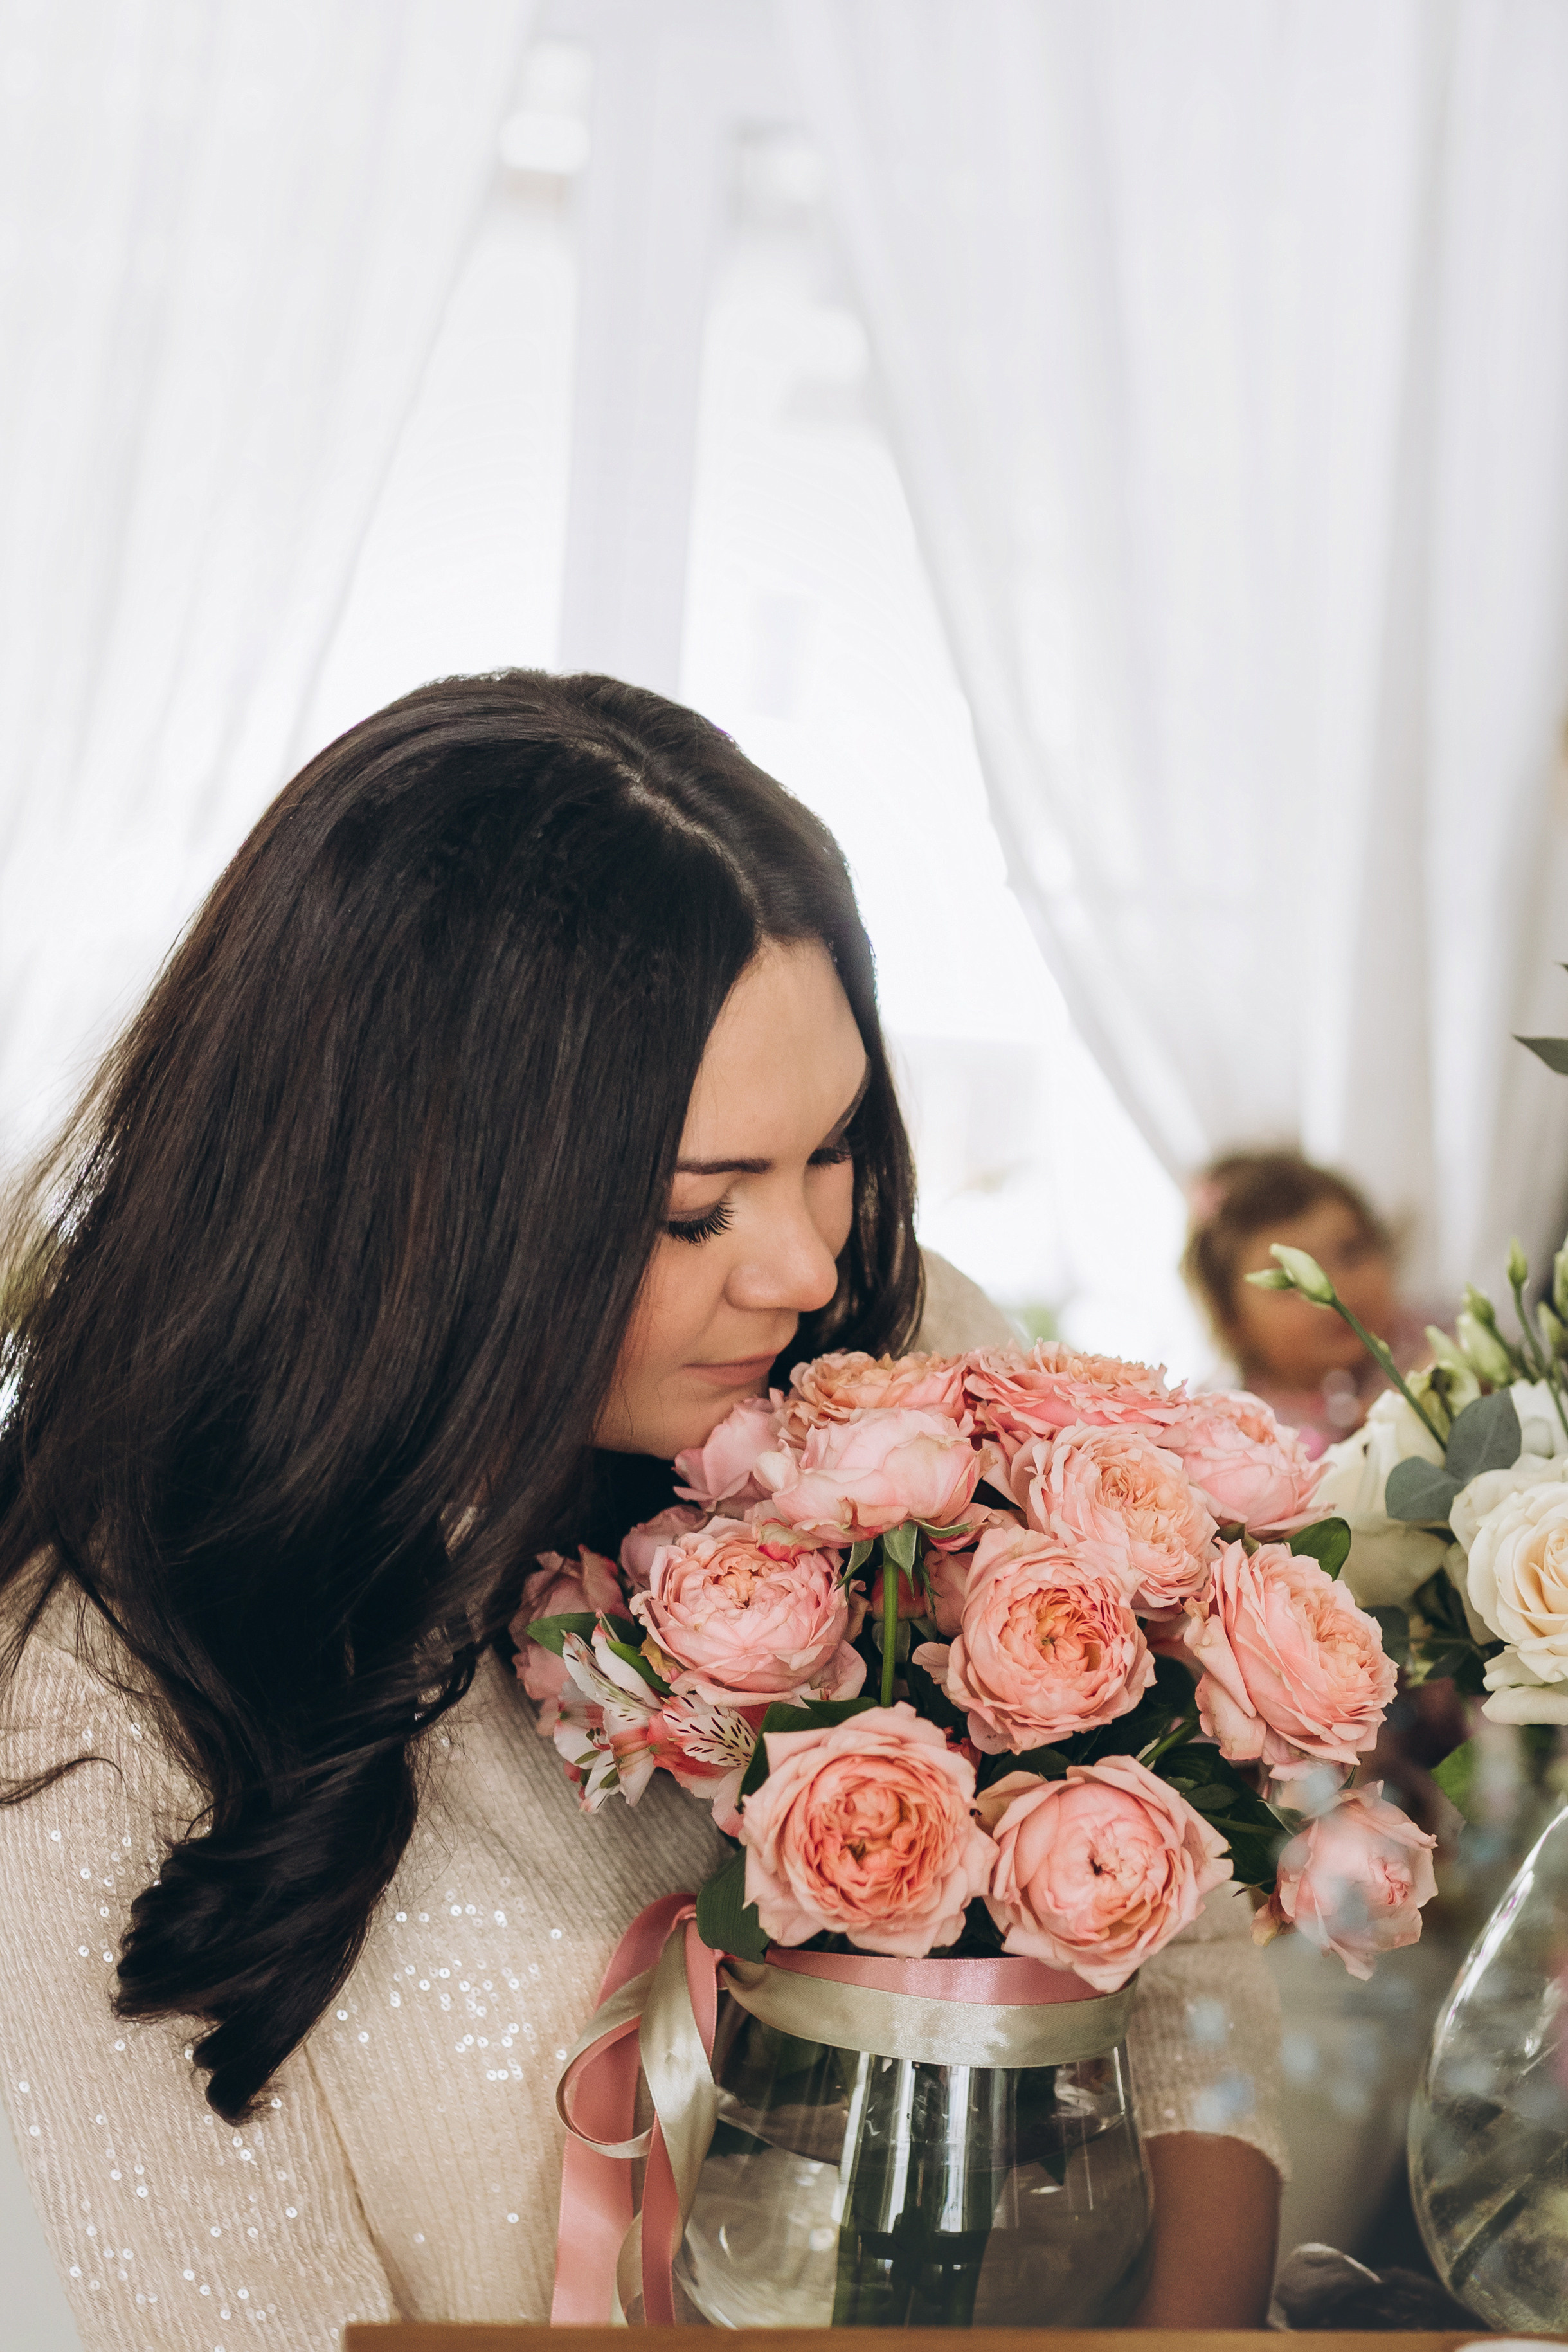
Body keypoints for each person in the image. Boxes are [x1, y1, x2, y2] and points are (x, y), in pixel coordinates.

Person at [0, 673, 1283, 2346]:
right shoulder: (86, 1710)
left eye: (826, 1148)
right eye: (696, 1211)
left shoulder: (883, 1384)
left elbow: (1190, 1988)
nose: (805, 1263)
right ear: (408, 1204)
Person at [1182, 1150, 1428, 1455]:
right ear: (1232, 1319)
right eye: (1289, 1280)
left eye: (1351, 1253)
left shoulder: (1427, 1342)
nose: (1334, 1289)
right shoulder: (1230, 1425)